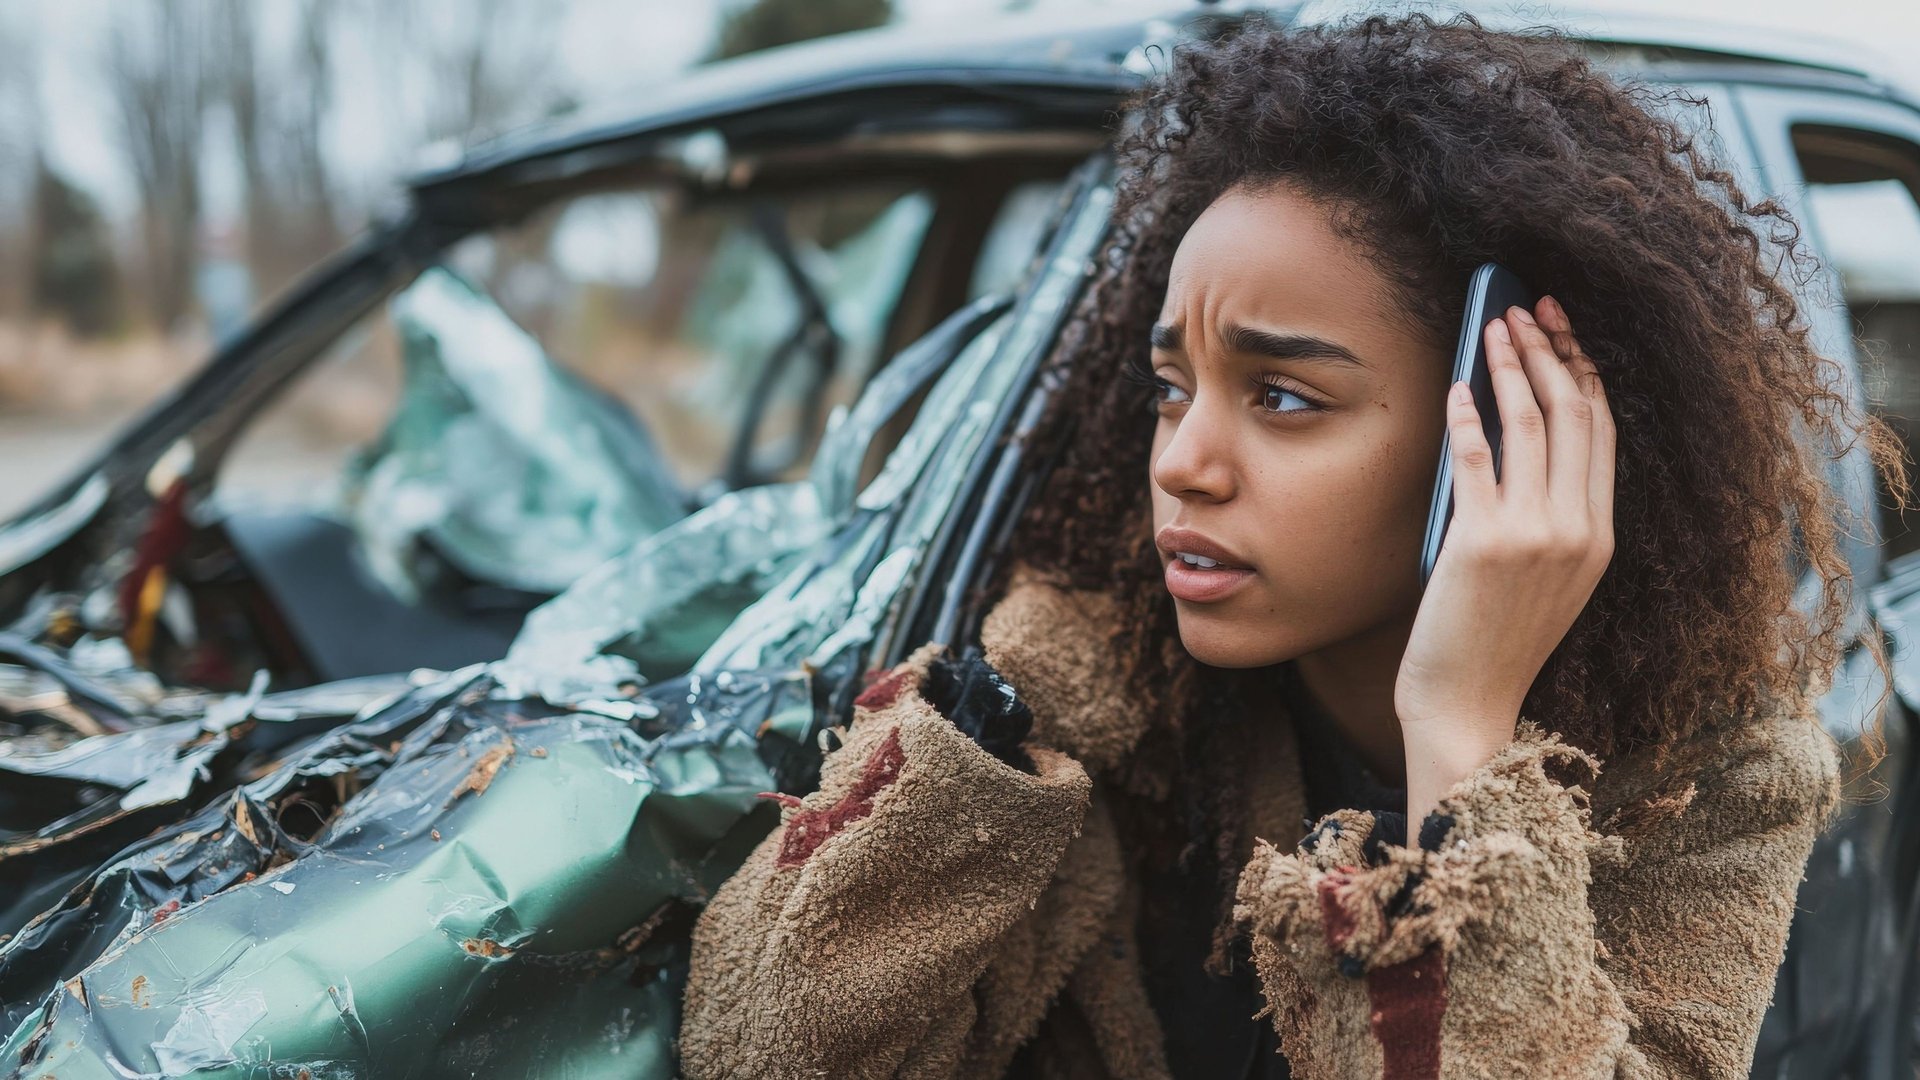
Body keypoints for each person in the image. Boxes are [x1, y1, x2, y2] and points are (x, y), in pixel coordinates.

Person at [676, 11, 1910, 1079]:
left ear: (1496, 428)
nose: (1180, 461)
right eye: (1171, 386)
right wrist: (966, 746)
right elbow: (763, 1050)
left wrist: (1460, 742)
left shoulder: (1712, 777)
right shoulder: (1074, 686)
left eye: (1281, 397)